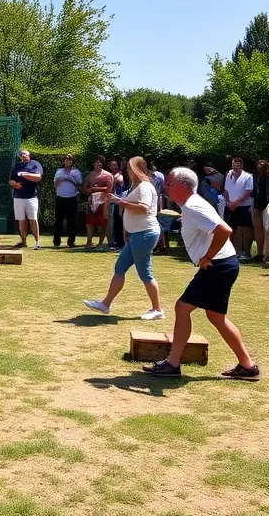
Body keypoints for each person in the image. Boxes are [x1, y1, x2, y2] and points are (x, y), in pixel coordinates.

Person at [143, 167, 259, 381]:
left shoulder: (194, 206)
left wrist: (207, 257)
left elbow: (225, 230)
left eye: (169, 183)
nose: (166, 187)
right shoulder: (190, 206)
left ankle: (172, 364)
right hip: (223, 265)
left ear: (182, 186)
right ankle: (248, 366)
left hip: (218, 266)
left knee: (182, 307)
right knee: (216, 317)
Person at [83, 157, 165, 320]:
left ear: (137, 169)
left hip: (145, 234)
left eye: (129, 168)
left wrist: (119, 201)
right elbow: (129, 205)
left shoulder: (144, 187)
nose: (127, 171)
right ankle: (105, 305)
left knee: (145, 274)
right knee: (120, 268)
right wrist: (116, 200)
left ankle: (157, 310)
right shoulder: (135, 187)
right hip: (138, 234)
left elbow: (144, 208)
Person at [10, 148, 44, 250]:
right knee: (21, 220)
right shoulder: (17, 165)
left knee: (33, 219)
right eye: (21, 154)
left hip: (31, 197)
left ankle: (37, 241)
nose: (23, 155)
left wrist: (23, 174)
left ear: (29, 155)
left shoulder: (35, 164)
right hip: (18, 197)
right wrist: (14, 184)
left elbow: (38, 177)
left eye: (25, 154)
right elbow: (11, 180)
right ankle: (23, 241)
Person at [224, 157, 254, 260]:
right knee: (234, 229)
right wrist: (228, 203)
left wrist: (235, 203)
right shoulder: (229, 175)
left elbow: (248, 192)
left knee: (245, 229)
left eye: (238, 164)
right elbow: (226, 190)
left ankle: (246, 252)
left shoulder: (248, 176)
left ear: (242, 165)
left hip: (244, 206)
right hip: (231, 207)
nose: (236, 166)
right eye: (234, 164)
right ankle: (236, 251)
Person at [82, 157, 113, 250]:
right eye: (96, 164)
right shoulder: (90, 175)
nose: (98, 165)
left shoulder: (107, 175)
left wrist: (95, 189)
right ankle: (89, 242)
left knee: (103, 222)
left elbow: (109, 189)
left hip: (104, 201)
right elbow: (84, 188)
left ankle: (100, 243)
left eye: (100, 164)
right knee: (90, 222)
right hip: (92, 201)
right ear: (93, 164)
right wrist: (91, 190)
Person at [53, 154, 83, 248]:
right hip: (60, 198)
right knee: (59, 220)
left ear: (72, 161)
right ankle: (56, 241)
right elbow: (55, 184)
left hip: (72, 198)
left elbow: (80, 183)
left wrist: (70, 179)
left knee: (72, 221)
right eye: (65, 160)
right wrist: (62, 179)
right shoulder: (59, 171)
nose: (67, 162)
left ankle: (71, 241)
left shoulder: (76, 172)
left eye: (69, 160)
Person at [251, 160, 269, 261]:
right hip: (258, 205)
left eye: (260, 165)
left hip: (266, 206)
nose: (258, 167)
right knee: (258, 230)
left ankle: (268, 254)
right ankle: (260, 252)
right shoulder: (259, 177)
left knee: (267, 230)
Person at [108, 159, 127, 250]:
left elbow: (120, 179)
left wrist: (113, 177)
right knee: (116, 222)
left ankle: (122, 243)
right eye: (112, 165)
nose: (114, 167)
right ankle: (117, 242)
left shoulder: (120, 174)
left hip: (121, 199)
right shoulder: (110, 174)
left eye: (115, 165)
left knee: (121, 221)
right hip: (114, 200)